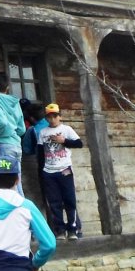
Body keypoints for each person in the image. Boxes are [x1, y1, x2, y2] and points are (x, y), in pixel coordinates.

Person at [36, 103, 85, 240]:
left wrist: (64, 141)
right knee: (54, 202)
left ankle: (72, 229)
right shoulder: (43, 132)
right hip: (49, 172)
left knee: (69, 200)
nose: (52, 119)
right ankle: (60, 230)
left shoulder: (66, 129)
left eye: (55, 116)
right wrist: (41, 173)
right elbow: (40, 154)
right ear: (46, 118)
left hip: (65, 169)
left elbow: (79, 144)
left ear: (60, 117)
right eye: (49, 117)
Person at [0, 72, 26, 195]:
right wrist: (13, 132)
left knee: (8, 186)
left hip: (4, 146)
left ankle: (18, 212)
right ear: (7, 87)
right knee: (17, 182)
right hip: (16, 146)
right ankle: (23, 210)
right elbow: (22, 129)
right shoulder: (15, 101)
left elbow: (2, 122)